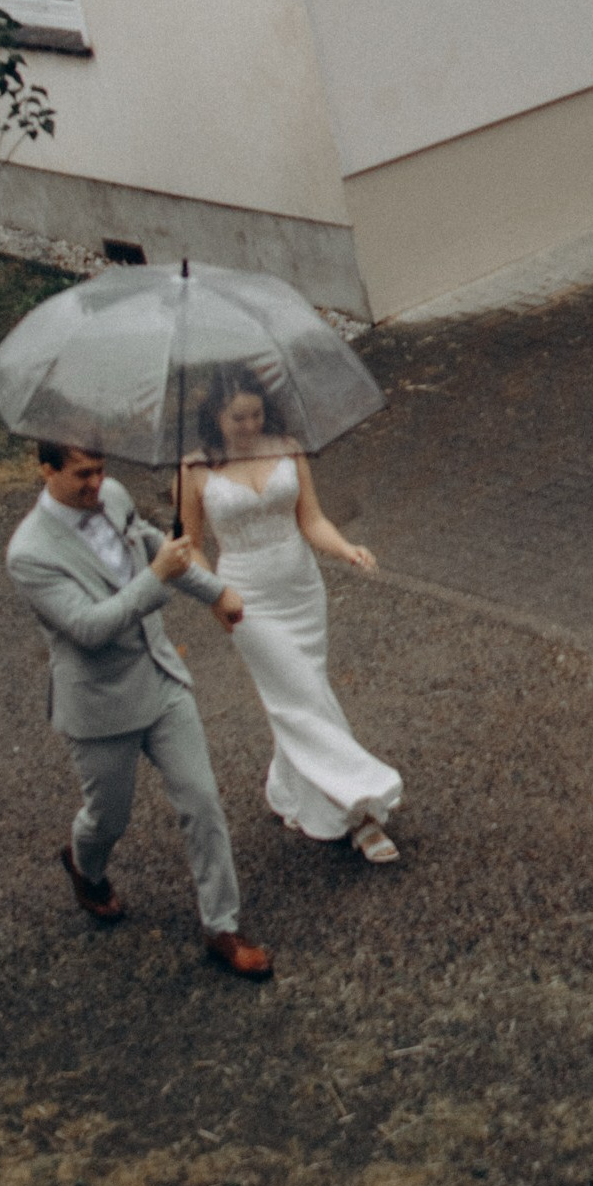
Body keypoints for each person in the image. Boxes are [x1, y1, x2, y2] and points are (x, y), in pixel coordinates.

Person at [6, 440, 274, 979]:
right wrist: (155, 577)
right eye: (82, 474)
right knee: (109, 817)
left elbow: (153, 544)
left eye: (102, 470)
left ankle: (222, 926)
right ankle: (85, 864)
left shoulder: (114, 495)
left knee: (202, 801)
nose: (96, 484)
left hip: (161, 680)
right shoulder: (29, 553)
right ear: (46, 470)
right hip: (100, 704)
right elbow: (88, 628)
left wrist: (215, 591)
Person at [179, 366, 404, 862]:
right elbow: (190, 547)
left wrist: (345, 548)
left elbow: (312, 519)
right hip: (246, 597)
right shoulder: (194, 467)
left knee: (304, 693)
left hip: (301, 587)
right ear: (216, 416)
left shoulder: (286, 447)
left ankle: (289, 790)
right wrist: (216, 594)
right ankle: (362, 810)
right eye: (238, 417)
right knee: (301, 697)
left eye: (256, 414)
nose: (249, 424)